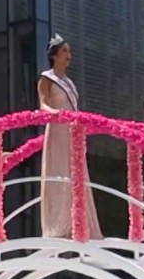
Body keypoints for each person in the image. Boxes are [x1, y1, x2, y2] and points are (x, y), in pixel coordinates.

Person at [37, 33, 102, 239]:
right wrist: (58, 115)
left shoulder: (70, 82)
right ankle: (59, 225)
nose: (69, 55)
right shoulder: (46, 78)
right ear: (54, 55)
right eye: (65, 50)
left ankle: (79, 222)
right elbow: (43, 105)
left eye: (69, 51)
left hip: (73, 132)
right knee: (60, 171)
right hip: (58, 129)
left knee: (76, 173)